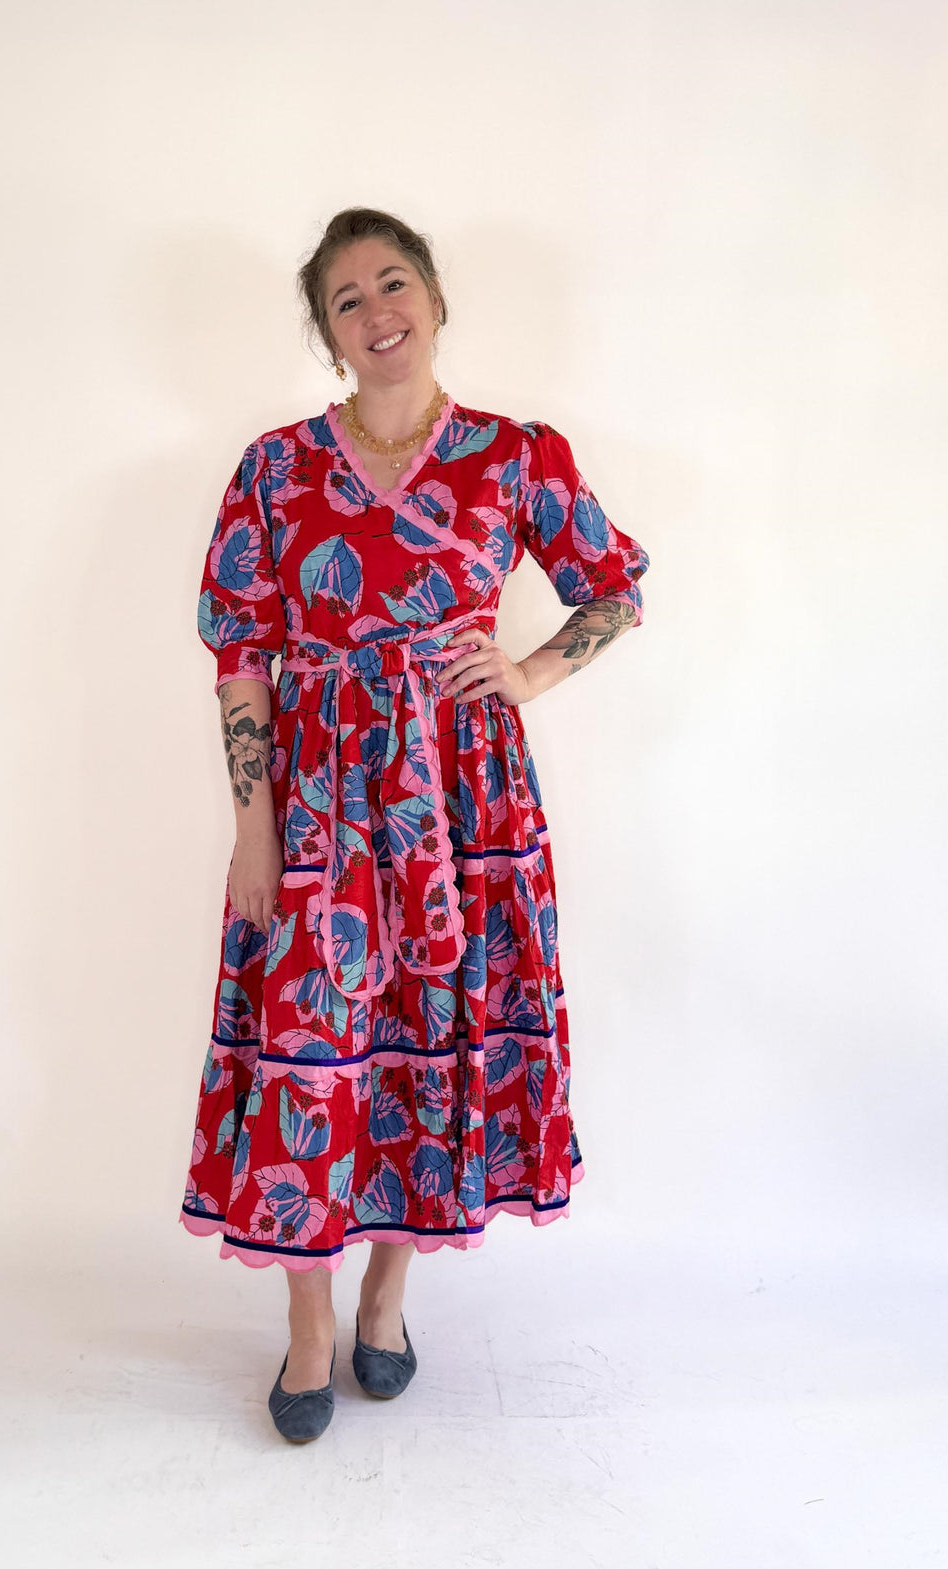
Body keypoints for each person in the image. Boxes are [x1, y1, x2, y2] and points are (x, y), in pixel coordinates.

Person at [179, 206, 649, 1442]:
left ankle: (386, 1294)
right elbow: (242, 651)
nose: (377, 310)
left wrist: (533, 673)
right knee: (308, 1053)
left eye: (393, 283)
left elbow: (616, 585)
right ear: (329, 333)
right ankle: (307, 1324)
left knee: (426, 1046)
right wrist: (255, 824)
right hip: (322, 801)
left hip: (463, 802)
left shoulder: (515, 456)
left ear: (433, 299)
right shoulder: (275, 470)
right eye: (347, 298)